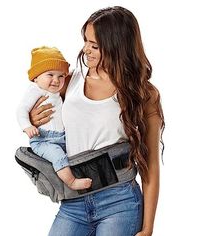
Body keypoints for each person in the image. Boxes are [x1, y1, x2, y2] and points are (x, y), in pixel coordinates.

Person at [29, 6, 165, 236]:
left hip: (120, 202)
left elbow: (150, 164)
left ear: (117, 47)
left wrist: (148, 228)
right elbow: (42, 115)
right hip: (73, 201)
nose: (86, 50)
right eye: (85, 41)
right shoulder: (69, 82)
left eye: (95, 45)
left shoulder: (143, 94)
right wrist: (33, 118)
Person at [16, 46, 92, 190]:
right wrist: (28, 126)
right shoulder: (35, 90)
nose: (56, 80)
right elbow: (22, 109)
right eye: (50, 75)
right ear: (36, 77)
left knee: (70, 157)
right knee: (58, 156)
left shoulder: (58, 92)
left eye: (61, 76)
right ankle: (71, 182)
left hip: (61, 137)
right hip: (44, 139)